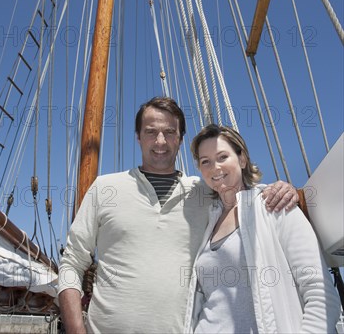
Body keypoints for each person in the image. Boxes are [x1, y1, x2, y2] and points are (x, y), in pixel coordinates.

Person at [58, 97, 299, 334]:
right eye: (151, 132)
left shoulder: (206, 192)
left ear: (181, 139)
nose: (160, 141)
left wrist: (288, 191)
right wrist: (76, 329)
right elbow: (72, 262)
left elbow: (246, 197)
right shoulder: (105, 188)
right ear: (138, 137)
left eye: (170, 132)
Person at [183, 124, 340, 334]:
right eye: (205, 162)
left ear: (242, 159)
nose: (215, 167)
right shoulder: (207, 223)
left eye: (222, 157)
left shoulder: (274, 205)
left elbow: (319, 291)